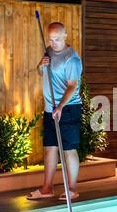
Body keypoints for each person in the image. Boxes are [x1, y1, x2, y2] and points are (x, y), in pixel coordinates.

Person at [27, 22, 83, 201]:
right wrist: (40, 66)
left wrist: (60, 106)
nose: (53, 43)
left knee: (68, 149)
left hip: (68, 108)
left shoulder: (72, 59)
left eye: (57, 39)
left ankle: (72, 189)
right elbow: (40, 72)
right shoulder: (49, 51)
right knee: (50, 148)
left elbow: (72, 87)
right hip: (50, 109)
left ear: (65, 36)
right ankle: (47, 188)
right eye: (51, 39)